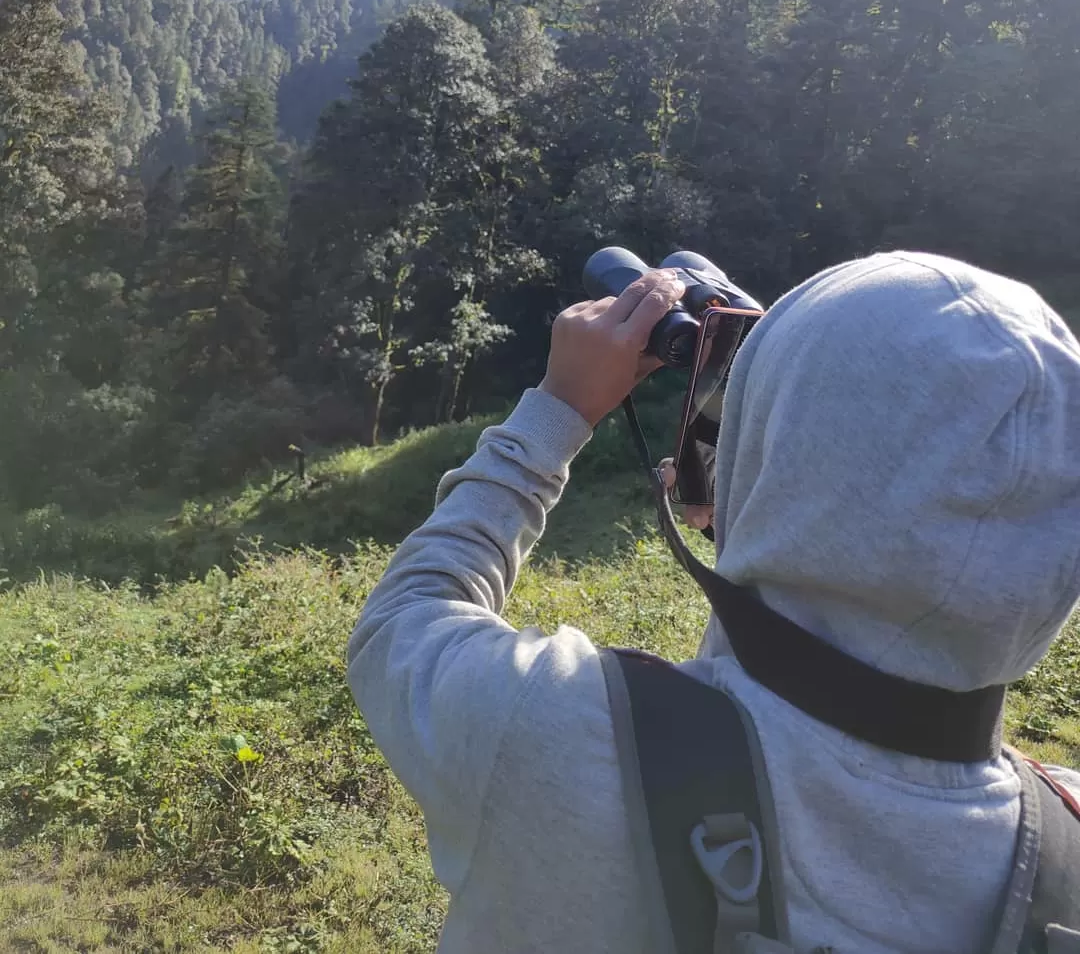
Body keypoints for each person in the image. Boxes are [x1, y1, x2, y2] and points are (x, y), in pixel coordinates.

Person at [347, 251, 1080, 953]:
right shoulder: (1068, 837)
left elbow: (405, 618)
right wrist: (775, 534)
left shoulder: (562, 737)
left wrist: (558, 410)